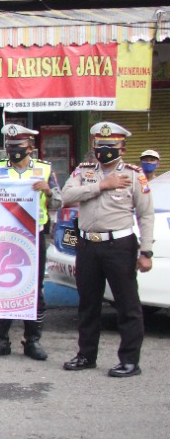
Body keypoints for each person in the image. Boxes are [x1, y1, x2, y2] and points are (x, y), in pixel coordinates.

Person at [60, 122, 156, 377]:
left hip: (119, 246)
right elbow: (65, 196)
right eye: (100, 145)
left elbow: (146, 215)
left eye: (111, 145)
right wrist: (101, 186)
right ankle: (86, 355)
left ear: (122, 148)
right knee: (88, 304)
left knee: (127, 305)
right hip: (87, 245)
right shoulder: (84, 171)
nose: (104, 150)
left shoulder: (134, 175)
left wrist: (146, 252)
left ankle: (129, 361)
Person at [0, 125, 59, 361]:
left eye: (19, 146)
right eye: (10, 146)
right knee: (1, 288)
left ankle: (32, 340)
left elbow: (60, 201)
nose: (14, 150)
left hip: (33, 237)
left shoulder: (45, 169)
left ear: (30, 148)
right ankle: (0, 340)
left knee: (34, 289)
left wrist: (49, 192)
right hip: (3, 236)